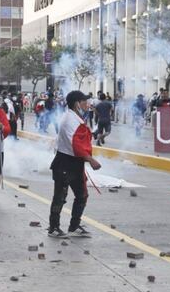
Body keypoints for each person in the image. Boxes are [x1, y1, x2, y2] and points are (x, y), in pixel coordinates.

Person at [48, 91, 102, 238]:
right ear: (77, 103)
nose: (87, 104)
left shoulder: (76, 118)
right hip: (65, 163)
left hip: (75, 163)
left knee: (82, 195)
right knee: (60, 196)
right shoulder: (70, 120)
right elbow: (75, 144)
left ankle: (74, 225)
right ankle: (53, 227)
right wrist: (91, 160)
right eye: (84, 101)